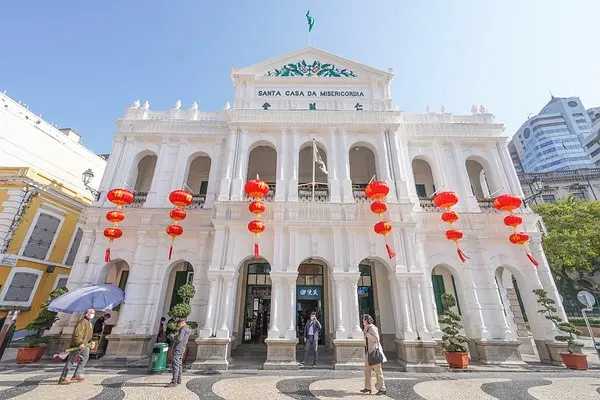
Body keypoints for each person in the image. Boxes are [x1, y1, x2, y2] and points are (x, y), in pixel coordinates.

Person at [58, 308, 95, 385]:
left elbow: (89, 336)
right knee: (71, 361)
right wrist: (80, 343)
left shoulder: (89, 323)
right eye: (90, 312)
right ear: (86, 313)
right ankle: (62, 378)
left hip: (85, 345)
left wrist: (91, 342)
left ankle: (76, 375)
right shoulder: (82, 322)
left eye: (93, 313)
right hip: (78, 345)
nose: (92, 314)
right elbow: (77, 334)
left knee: (85, 358)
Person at [361, 314, 386, 395]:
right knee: (367, 371)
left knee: (378, 371)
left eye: (364, 320)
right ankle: (367, 387)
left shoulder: (372, 328)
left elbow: (376, 339)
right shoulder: (366, 328)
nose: (363, 321)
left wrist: (367, 334)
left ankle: (382, 388)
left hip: (374, 352)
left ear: (367, 320)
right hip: (368, 353)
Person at [167, 319, 191, 387]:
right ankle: (179, 379)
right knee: (179, 364)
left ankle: (174, 381)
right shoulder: (188, 329)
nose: (178, 325)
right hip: (183, 347)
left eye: (179, 324)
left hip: (178, 347)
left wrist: (173, 337)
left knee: (175, 364)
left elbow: (179, 339)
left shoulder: (183, 329)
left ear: (183, 322)